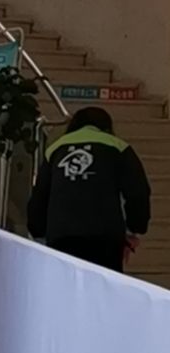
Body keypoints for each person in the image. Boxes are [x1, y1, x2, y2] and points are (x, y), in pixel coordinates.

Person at [27, 105, 151, 272]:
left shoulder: (55, 149)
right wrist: (134, 228)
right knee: (102, 285)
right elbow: (138, 193)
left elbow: (40, 196)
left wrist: (37, 231)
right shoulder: (118, 146)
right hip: (106, 236)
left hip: (61, 235)